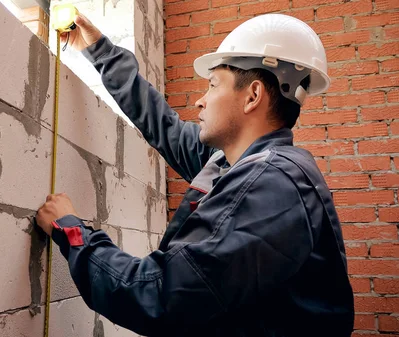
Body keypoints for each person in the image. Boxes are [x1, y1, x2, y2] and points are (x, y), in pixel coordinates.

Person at [35, 13, 355, 337]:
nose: (200, 101)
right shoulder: (231, 162)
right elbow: (160, 122)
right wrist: (99, 49)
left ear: (253, 96)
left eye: (213, 84)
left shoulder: (271, 187)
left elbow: (158, 295)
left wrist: (70, 229)